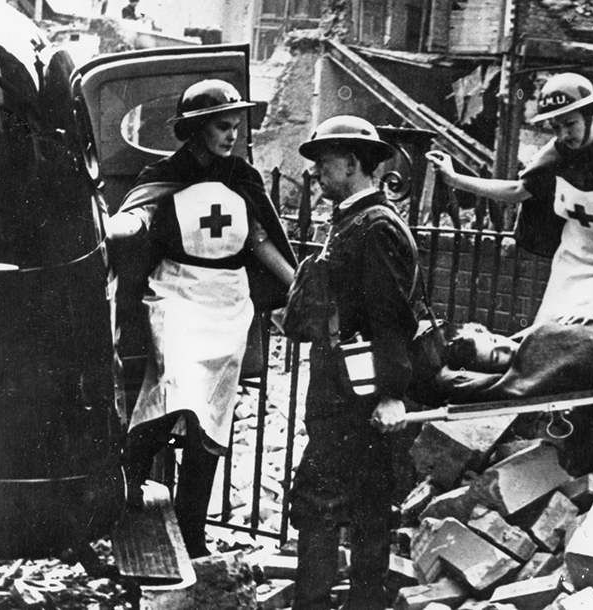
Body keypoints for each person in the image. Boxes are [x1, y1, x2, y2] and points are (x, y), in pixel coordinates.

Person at [105, 79, 296, 558]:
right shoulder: (163, 173)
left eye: (235, 126)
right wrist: (123, 226)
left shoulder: (243, 178)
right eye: (222, 127)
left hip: (228, 305)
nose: (232, 136)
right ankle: (126, 497)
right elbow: (139, 220)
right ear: (195, 129)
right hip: (174, 296)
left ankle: (191, 530)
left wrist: (299, 285)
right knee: (175, 390)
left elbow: (260, 240)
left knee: (212, 415)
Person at [425, 72, 593, 328]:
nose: (562, 135)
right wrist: (455, 179)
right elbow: (518, 190)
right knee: (542, 333)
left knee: (581, 333)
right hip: (571, 260)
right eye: (555, 127)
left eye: (570, 124)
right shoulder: (557, 152)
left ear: (590, 115)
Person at [289, 115, 418, 610]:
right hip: (342, 387)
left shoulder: (375, 226)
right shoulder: (350, 220)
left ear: (351, 163)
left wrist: (390, 393)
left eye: (325, 162)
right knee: (359, 500)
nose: (318, 173)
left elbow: (390, 316)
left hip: (357, 395)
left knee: (330, 502)